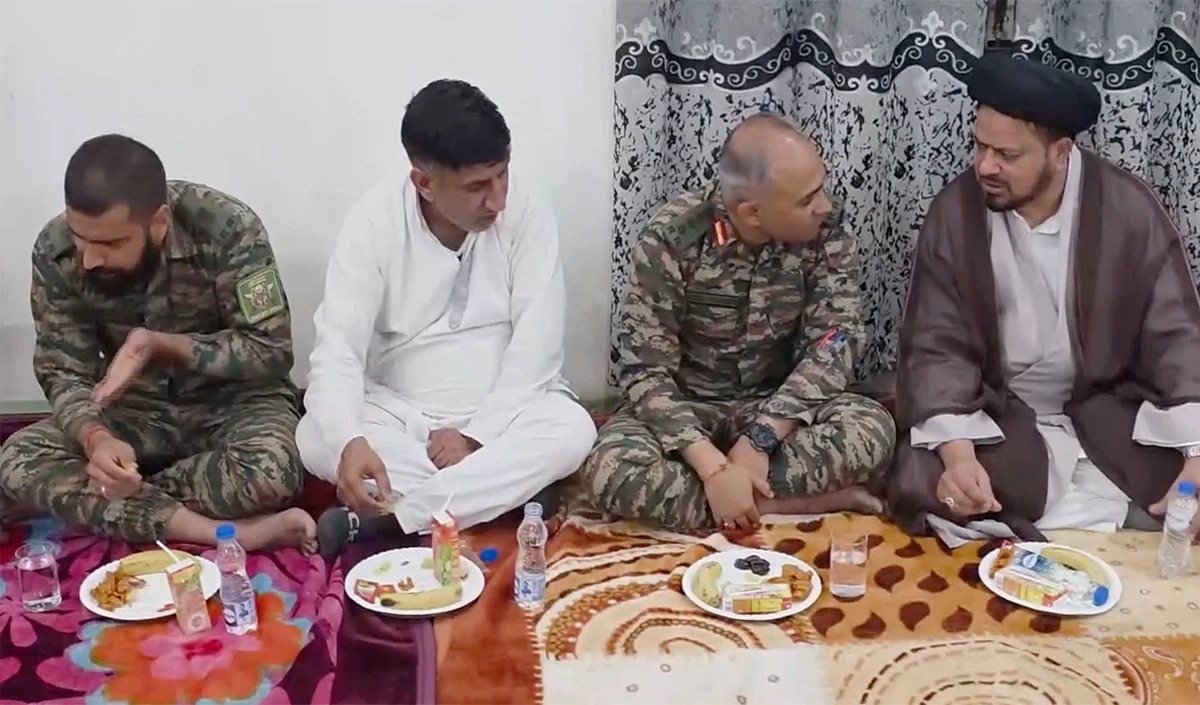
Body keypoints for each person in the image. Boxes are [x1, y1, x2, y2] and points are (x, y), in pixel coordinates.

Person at [889, 52, 1200, 545]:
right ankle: (1112, 515)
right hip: (998, 413)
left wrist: (1196, 456)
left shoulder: (1127, 209)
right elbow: (937, 344)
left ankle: (1056, 514)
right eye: (980, 146)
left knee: (1186, 473)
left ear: (1060, 153)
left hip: (1109, 411)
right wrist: (959, 457)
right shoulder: (956, 211)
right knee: (924, 474)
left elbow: (1175, 335)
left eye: (1007, 155)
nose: (985, 166)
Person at [297, 79, 596, 558]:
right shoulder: (373, 223)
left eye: (502, 175)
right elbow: (338, 351)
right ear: (424, 183)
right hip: (402, 412)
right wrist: (351, 441)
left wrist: (478, 437)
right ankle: (504, 498)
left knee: (573, 429)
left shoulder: (525, 207)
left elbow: (538, 343)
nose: (498, 200)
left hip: (504, 413)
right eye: (477, 187)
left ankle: (394, 520)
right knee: (316, 436)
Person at [582, 114, 897, 532]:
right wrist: (711, 467)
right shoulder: (672, 239)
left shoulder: (825, 229)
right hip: (687, 409)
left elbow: (835, 342)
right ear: (752, 213)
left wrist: (762, 437)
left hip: (777, 407)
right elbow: (645, 369)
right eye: (807, 199)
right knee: (609, 472)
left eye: (822, 188)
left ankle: (731, 500)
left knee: (873, 431)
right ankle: (788, 504)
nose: (824, 205)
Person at [0, 134, 314, 551]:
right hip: (134, 409)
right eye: (81, 238)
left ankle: (106, 500)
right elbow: (64, 370)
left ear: (159, 223)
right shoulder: (55, 249)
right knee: (19, 459)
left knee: (272, 471)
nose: (90, 259)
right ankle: (225, 531)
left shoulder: (228, 230)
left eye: (110, 244)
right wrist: (96, 439)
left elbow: (271, 352)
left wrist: (162, 345)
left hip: (233, 404)